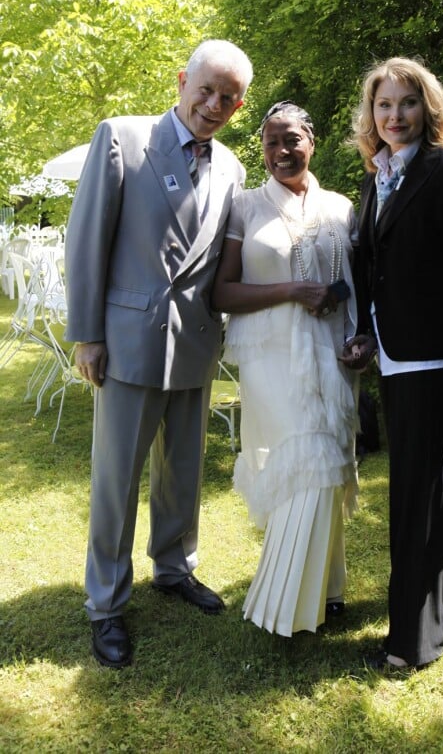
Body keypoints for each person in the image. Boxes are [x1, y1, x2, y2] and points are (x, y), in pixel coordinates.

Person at [64, 39, 253, 668]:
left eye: (228, 97)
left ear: (240, 103)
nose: (214, 104)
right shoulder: (122, 137)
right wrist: (88, 334)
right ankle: (107, 604)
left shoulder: (233, 168)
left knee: (183, 473)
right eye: (205, 89)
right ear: (181, 81)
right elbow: (87, 238)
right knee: (116, 482)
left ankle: (174, 568)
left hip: (195, 344)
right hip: (128, 342)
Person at [343, 57, 443, 670]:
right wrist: (365, 334)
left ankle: (413, 642)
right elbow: (376, 270)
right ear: (370, 114)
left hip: (433, 359)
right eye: (383, 105)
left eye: (405, 103)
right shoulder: (376, 177)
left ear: (427, 109)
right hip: (393, 356)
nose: (393, 115)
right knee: (418, 489)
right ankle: (438, 599)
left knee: (414, 498)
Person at [211, 101, 359, 637]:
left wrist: (361, 339)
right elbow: (223, 291)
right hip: (270, 359)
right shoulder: (245, 207)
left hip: (332, 358)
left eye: (291, 139)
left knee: (328, 464)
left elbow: (357, 292)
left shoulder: (342, 208)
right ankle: (282, 603)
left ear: (311, 141)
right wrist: (293, 291)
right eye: (271, 142)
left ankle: (328, 589)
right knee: (305, 465)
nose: (281, 151)